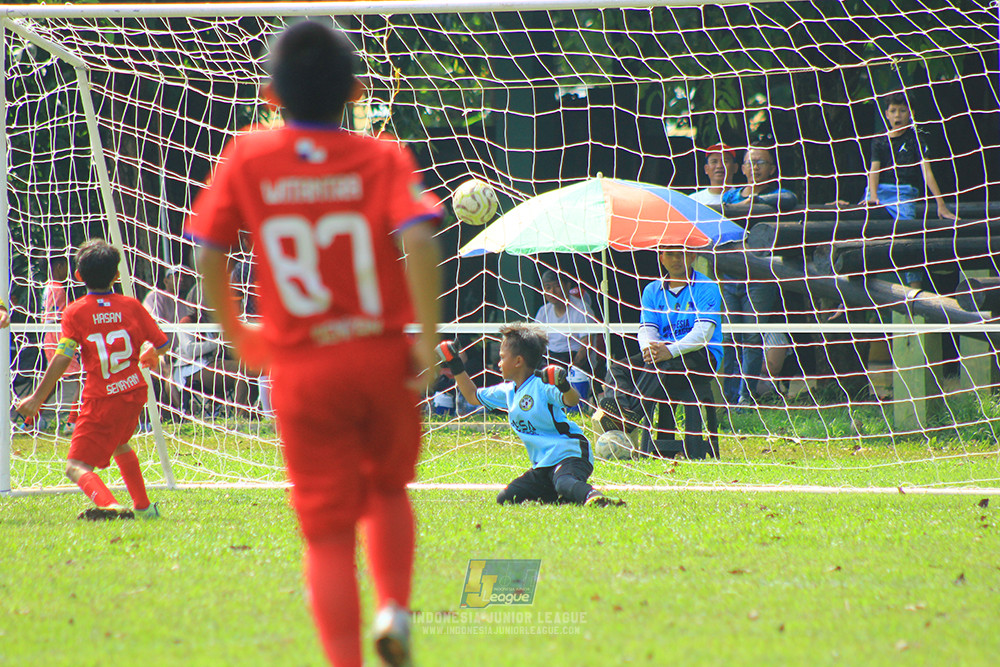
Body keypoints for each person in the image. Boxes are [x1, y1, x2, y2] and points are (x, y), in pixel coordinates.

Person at [185, 21, 442, 667]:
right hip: (379, 356)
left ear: (270, 97)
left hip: (302, 366)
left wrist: (237, 330)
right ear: (357, 92)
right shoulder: (382, 156)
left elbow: (209, 248)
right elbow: (418, 238)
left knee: (326, 531)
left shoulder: (247, 156)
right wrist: (427, 339)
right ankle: (393, 609)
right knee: (387, 491)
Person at [15, 239, 168, 520]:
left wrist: (37, 399)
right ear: (116, 275)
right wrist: (150, 351)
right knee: (121, 444)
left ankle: (110, 506)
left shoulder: (75, 311)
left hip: (102, 398)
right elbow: (161, 342)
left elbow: (62, 357)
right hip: (134, 392)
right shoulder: (131, 306)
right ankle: (145, 509)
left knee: (75, 466)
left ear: (79, 276)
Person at [438, 324, 624, 507]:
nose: (498, 363)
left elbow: (572, 400)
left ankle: (594, 496)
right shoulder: (507, 391)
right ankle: (563, 496)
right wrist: (454, 362)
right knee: (506, 497)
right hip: (543, 465)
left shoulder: (542, 384)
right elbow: (471, 396)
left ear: (518, 361)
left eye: (502, 358)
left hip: (570, 453)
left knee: (564, 482)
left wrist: (563, 385)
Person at [598, 246, 723, 456]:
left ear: (691, 256)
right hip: (663, 357)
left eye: (681, 254)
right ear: (661, 258)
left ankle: (632, 417)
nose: (676, 259)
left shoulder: (706, 287)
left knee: (663, 364)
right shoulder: (652, 290)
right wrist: (649, 349)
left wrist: (669, 351)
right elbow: (647, 328)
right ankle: (622, 412)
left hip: (702, 356)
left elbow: (703, 333)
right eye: (671, 254)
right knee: (618, 367)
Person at [719, 144, 795, 405]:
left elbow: (789, 201)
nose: (755, 168)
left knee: (752, 336)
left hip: (761, 275)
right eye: (750, 163)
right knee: (729, 335)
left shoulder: (781, 194)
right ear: (741, 169)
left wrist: (754, 202)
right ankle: (728, 396)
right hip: (729, 275)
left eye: (761, 162)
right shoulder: (729, 197)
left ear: (772, 168)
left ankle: (745, 397)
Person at [865, 92, 957, 224]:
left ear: (910, 113)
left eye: (902, 111)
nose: (897, 115)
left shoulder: (915, 139)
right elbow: (874, 169)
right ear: (887, 114)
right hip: (879, 190)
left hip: (903, 193)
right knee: (862, 218)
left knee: (906, 228)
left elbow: (927, 173)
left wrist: (940, 203)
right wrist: (873, 195)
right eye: (893, 111)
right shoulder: (879, 139)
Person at [534, 270, 604, 378]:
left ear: (567, 285)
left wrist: (570, 373)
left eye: (557, 286)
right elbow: (536, 342)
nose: (552, 292)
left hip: (573, 359)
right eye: (548, 288)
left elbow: (586, 347)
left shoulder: (582, 309)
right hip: (549, 358)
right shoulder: (543, 311)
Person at [40, 256, 82, 432]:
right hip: (60, 339)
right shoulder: (57, 289)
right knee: (84, 376)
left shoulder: (47, 287)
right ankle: (72, 421)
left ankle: (31, 419)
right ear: (59, 266)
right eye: (66, 267)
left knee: (54, 379)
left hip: (48, 339)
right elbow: (59, 317)